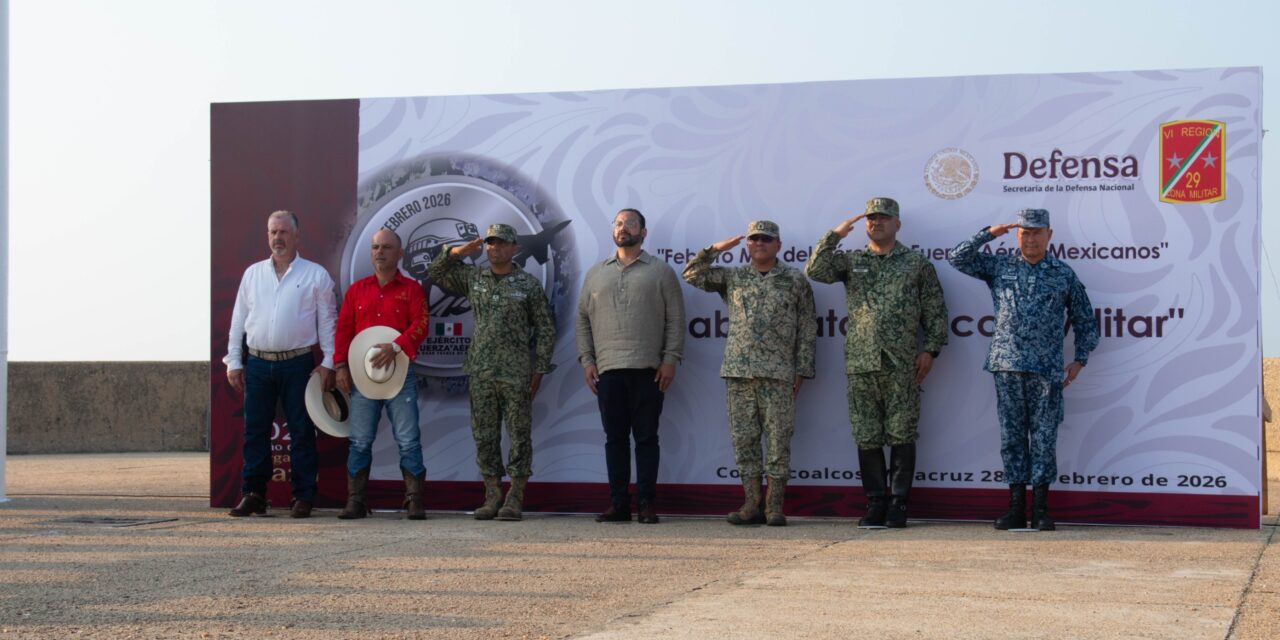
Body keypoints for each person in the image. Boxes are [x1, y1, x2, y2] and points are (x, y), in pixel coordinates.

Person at [948, 208, 1098, 531]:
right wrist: (991, 233)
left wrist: (1080, 359)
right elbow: (957, 257)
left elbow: (1086, 319)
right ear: (1017, 236)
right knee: (1012, 437)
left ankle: (1041, 509)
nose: (1030, 238)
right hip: (1008, 366)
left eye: (1036, 232)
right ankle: (1016, 507)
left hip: (1047, 371)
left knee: (1043, 438)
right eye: (1024, 232)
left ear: (1049, 235)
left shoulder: (1062, 274)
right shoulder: (1000, 266)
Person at [806, 197, 948, 528]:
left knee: (902, 433)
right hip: (862, 361)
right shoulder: (852, 260)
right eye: (871, 218)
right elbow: (815, 270)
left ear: (898, 224)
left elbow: (936, 311)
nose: (876, 223)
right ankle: (874, 503)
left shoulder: (916, 264)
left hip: (902, 364)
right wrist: (835, 235)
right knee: (867, 435)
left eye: (884, 218)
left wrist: (930, 350)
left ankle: (898, 504)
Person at [683, 220, 816, 526]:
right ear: (747, 244)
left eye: (766, 239)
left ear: (778, 245)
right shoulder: (734, 277)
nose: (760, 244)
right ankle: (751, 504)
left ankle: (775, 507)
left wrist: (803, 369)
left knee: (779, 440)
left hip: (779, 373)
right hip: (739, 372)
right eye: (754, 239)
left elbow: (808, 327)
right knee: (744, 441)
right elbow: (691, 274)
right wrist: (714, 249)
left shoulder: (794, 280)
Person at [427, 223, 557, 522]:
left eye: (501, 243)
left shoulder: (527, 284)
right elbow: (435, 272)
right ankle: (492, 493)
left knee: (519, 435)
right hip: (482, 371)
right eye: (490, 243)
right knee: (484, 436)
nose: (493, 248)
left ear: (515, 249)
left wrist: (539, 370)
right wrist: (459, 251)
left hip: (516, 373)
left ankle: (515, 496)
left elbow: (546, 329)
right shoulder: (474, 278)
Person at [224, 210, 337, 518]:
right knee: (255, 431)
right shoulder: (252, 274)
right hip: (258, 363)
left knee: (301, 431)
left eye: (284, 232)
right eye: (273, 232)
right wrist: (234, 361)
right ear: (268, 236)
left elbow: (328, 323)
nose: (278, 238)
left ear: (296, 236)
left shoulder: (315, 275)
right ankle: (254, 494)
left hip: (298, 363)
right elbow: (238, 322)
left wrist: (328, 362)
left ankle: (303, 496)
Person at [576, 208, 685, 524]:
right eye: (619, 223)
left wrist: (670, 360)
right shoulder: (596, 273)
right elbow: (582, 319)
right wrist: (587, 360)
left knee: (647, 438)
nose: (624, 228)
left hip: (649, 370)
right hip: (608, 369)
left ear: (644, 233)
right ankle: (619, 504)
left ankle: (647, 504)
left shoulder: (660, 272)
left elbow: (676, 319)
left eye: (631, 224)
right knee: (614, 439)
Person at [333, 229, 431, 520]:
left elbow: (422, 324)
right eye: (375, 247)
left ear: (399, 254)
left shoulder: (412, 289)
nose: (380, 252)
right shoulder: (356, 291)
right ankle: (356, 500)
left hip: (401, 375)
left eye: (386, 247)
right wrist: (340, 366)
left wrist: (398, 346)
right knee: (359, 440)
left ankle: (414, 500)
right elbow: (343, 331)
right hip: (363, 378)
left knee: (409, 439)